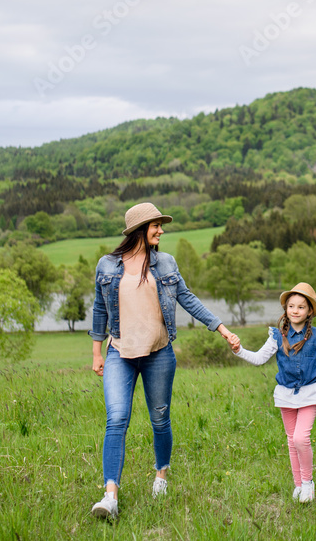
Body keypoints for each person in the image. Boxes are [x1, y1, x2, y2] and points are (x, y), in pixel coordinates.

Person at [88, 202, 240, 520]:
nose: (161, 229)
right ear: (139, 230)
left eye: (161, 225)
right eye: (156, 225)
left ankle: (161, 476)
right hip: (120, 355)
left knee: (160, 420)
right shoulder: (108, 265)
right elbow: (100, 309)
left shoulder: (166, 263)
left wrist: (222, 329)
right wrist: (96, 352)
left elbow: (188, 298)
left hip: (158, 354)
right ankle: (110, 496)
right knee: (116, 419)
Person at [231, 282, 316, 503]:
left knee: (301, 437)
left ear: (309, 311)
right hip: (286, 394)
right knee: (291, 440)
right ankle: (298, 484)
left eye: (300, 307)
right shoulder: (278, 336)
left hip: (310, 393)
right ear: (286, 309)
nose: (295, 310)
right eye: (291, 306)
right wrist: (239, 351)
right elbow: (260, 359)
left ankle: (308, 483)